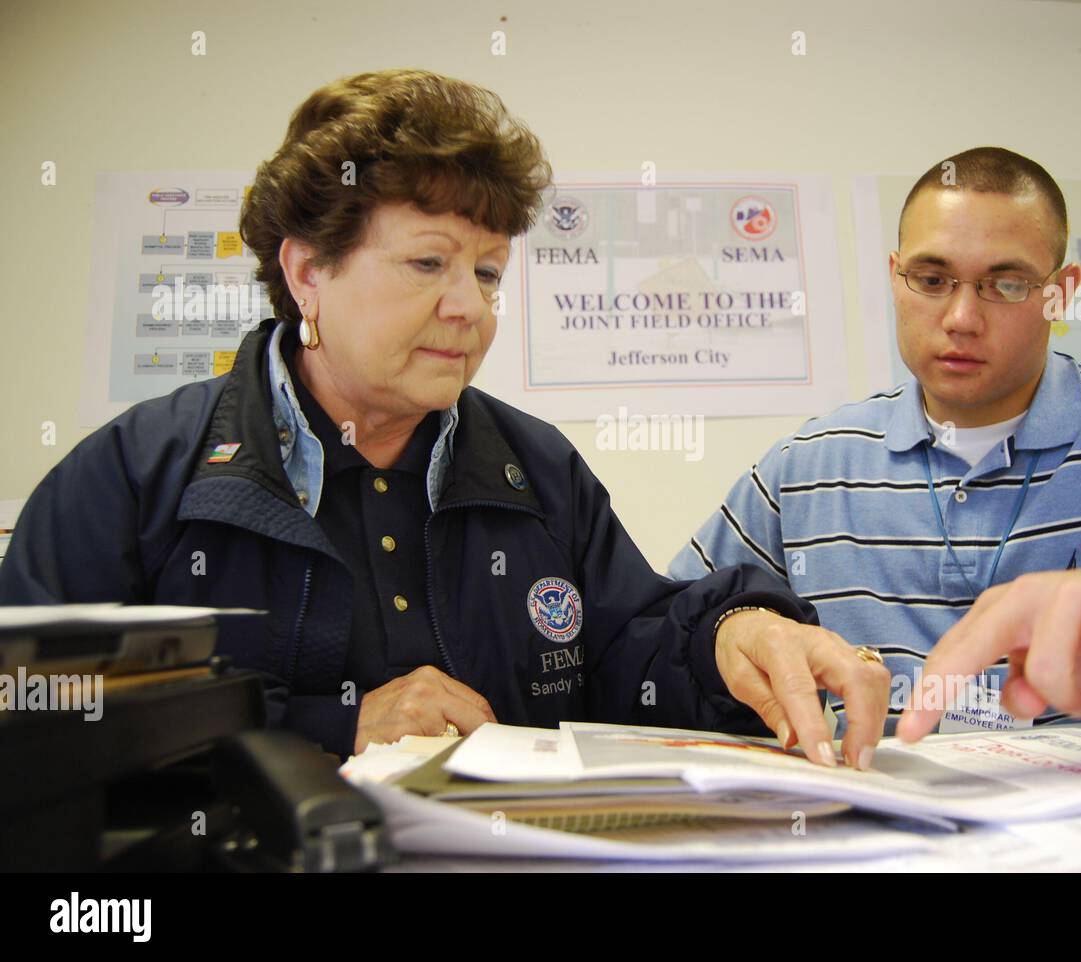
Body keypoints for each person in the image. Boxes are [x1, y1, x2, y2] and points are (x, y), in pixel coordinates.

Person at [0, 69, 890, 767]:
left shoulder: (536, 469)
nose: (471, 306)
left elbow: (631, 650)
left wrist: (734, 636)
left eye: (490, 272)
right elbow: (35, 706)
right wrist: (334, 727)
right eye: (429, 263)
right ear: (308, 271)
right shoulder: (138, 471)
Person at [670, 146, 1081, 750]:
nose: (962, 317)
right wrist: (734, 626)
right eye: (932, 278)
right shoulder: (806, 468)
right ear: (896, 278)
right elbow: (665, 626)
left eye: (1005, 284)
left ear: (1060, 292)